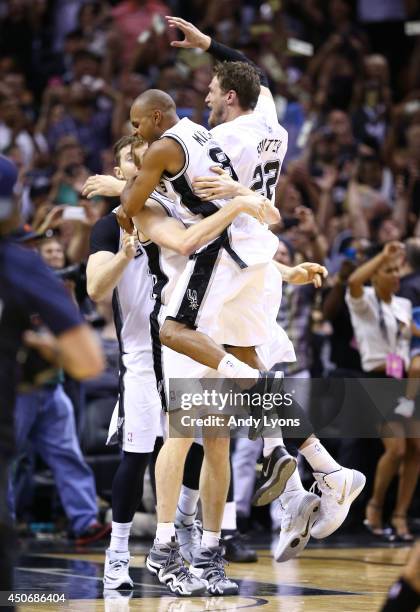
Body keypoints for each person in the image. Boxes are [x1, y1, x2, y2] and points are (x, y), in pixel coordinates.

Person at [85, 135, 274, 595]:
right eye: (131, 166)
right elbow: (93, 288)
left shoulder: (168, 213)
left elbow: (218, 254)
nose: (139, 172)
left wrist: (284, 271)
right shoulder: (109, 227)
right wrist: (123, 256)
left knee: (201, 444)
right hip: (140, 356)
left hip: (182, 346)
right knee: (137, 455)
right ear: (123, 170)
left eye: (144, 165)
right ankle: (119, 553)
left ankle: (191, 546)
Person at [0, 154, 103, 604]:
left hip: (46, 388)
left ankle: (84, 522)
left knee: (64, 451)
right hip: (21, 391)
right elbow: (88, 362)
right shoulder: (20, 267)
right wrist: (46, 347)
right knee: (16, 597)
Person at [347, 242, 420, 540]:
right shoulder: (363, 300)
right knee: (397, 448)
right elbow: (353, 280)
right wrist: (383, 256)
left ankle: (400, 515)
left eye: (397, 270)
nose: (395, 276)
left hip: (402, 381)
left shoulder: (403, 304)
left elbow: (410, 340)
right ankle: (374, 508)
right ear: (375, 276)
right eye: (388, 271)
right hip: (376, 381)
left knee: (416, 449)